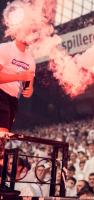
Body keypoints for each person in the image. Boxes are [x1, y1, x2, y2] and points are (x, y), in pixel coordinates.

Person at [0, 38, 36, 171]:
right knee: (1, 135)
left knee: (3, 140)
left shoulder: (30, 59)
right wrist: (18, 76)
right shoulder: (5, 48)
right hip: (1, 93)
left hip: (13, 100)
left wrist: (30, 89)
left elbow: (29, 81)